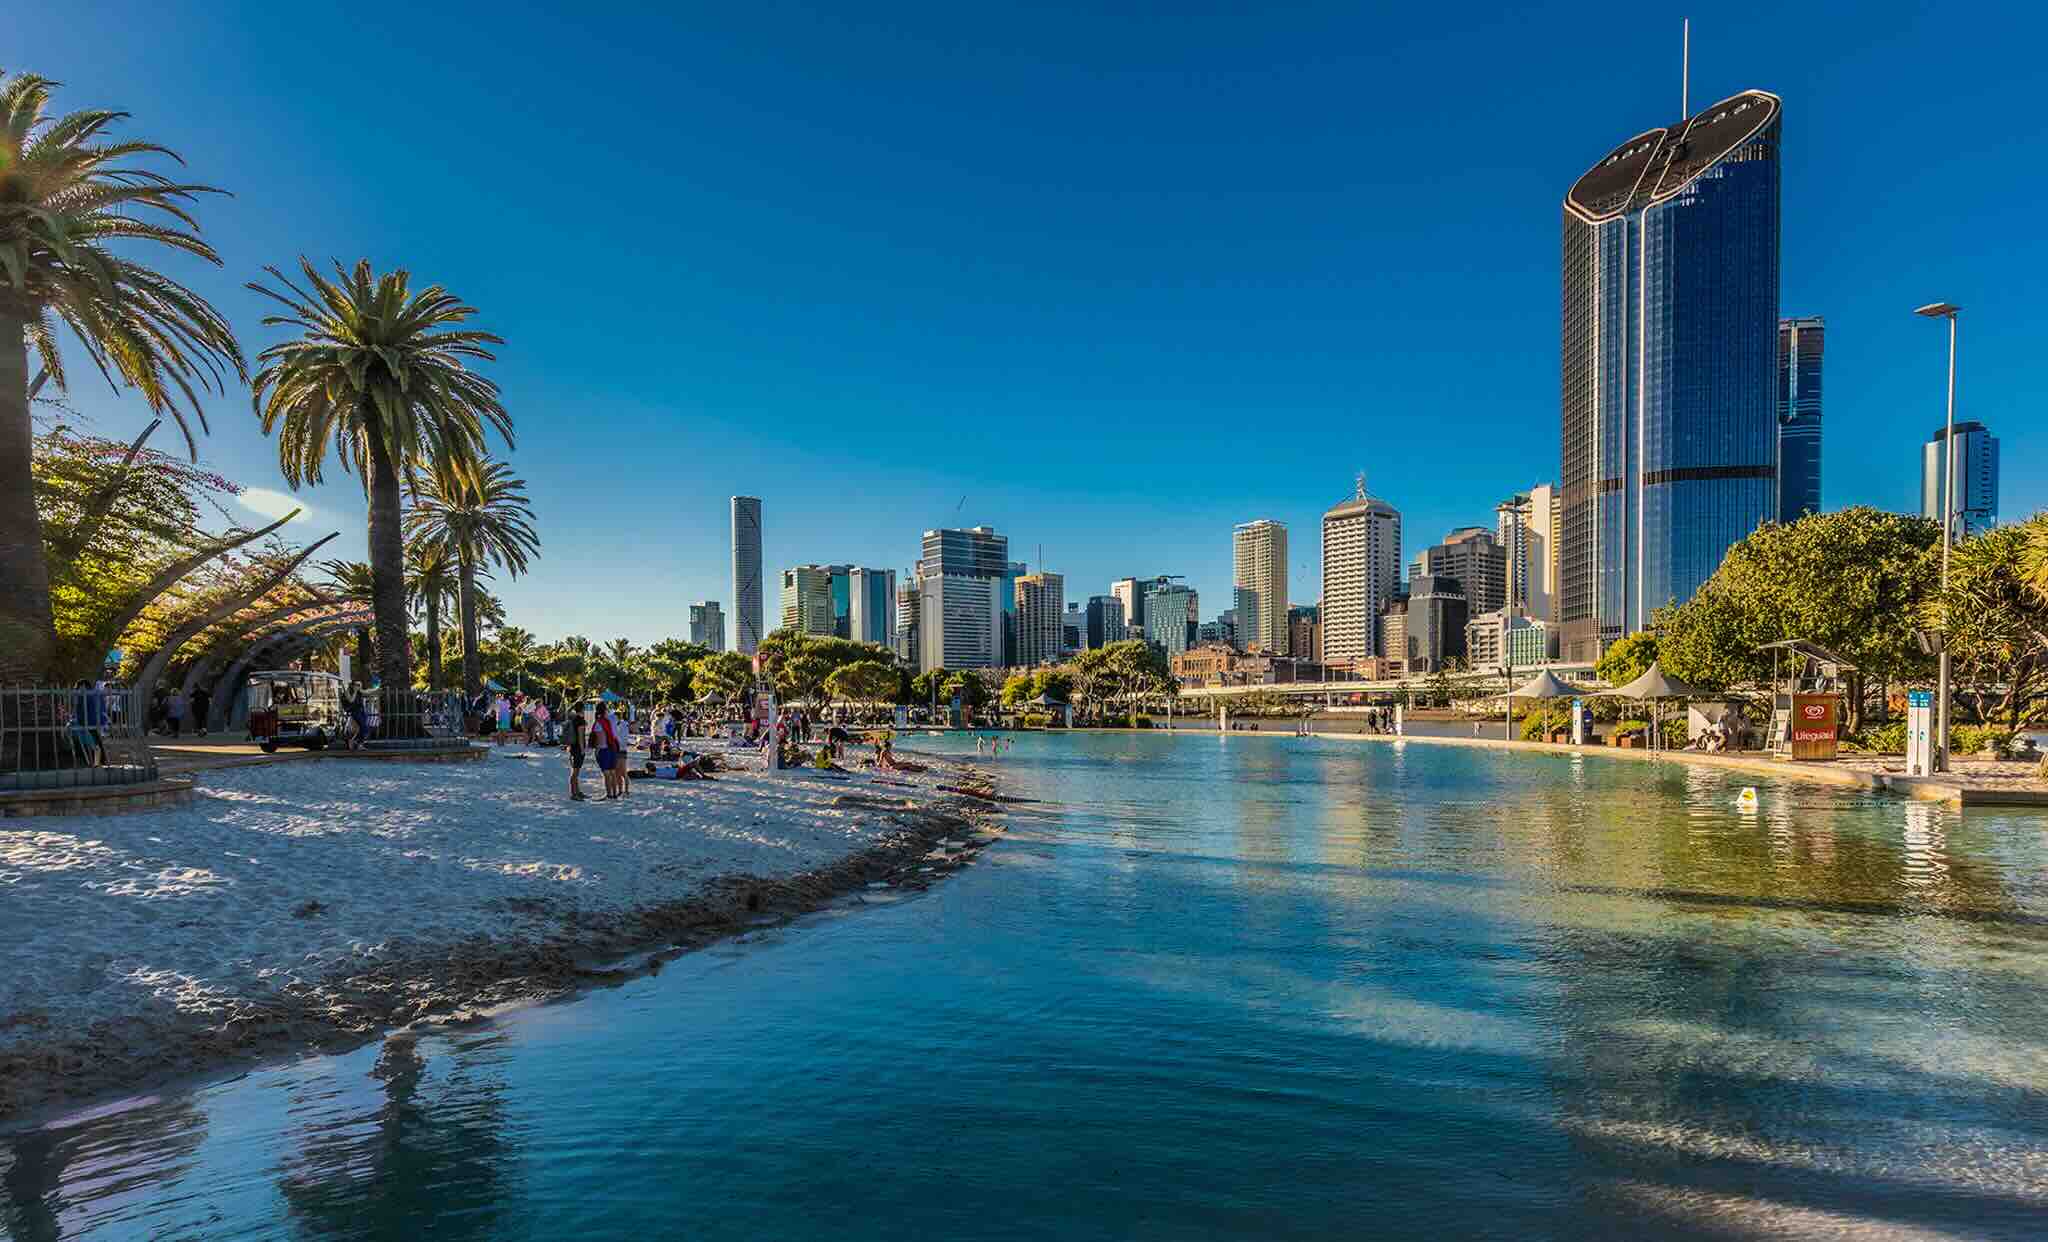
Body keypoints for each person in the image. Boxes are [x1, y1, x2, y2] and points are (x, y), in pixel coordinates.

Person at [593, 701, 628, 799]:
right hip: (613, 748)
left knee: (607, 774)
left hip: (604, 750)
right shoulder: (611, 720)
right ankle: (614, 793)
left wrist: (596, 751)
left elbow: (600, 740)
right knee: (613, 772)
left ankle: (609, 794)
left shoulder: (599, 723)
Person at [564, 703, 589, 800]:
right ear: (582, 709)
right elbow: (580, 735)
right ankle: (574, 793)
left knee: (575, 771)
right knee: (575, 772)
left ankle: (577, 791)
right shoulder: (580, 721)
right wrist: (582, 749)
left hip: (573, 747)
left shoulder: (573, 719)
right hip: (578, 748)